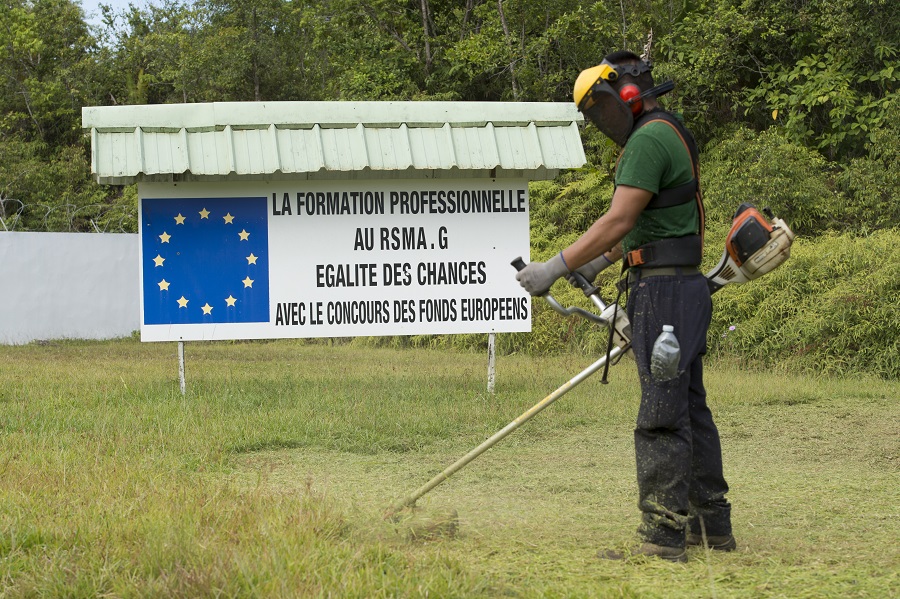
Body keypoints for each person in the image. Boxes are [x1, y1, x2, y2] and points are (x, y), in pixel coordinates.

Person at [515, 50, 735, 562]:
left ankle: (664, 537)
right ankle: (710, 525)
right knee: (689, 408)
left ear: (627, 94)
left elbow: (618, 219)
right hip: (680, 287)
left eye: (598, 106)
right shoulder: (666, 131)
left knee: (661, 412)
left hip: (664, 296)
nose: (598, 119)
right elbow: (649, 221)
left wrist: (554, 265)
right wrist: (597, 264)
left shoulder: (648, 139)